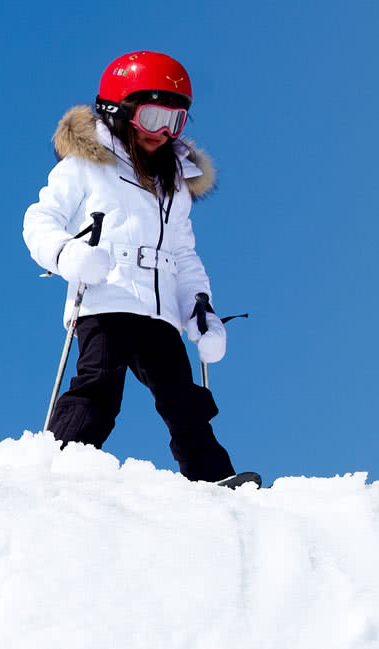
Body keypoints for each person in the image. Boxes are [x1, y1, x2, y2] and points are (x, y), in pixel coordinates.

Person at [22, 51, 241, 484]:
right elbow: (39, 220)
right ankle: (61, 467)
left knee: (184, 401)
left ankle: (214, 480)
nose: (163, 132)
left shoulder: (173, 183)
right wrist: (67, 254)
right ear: (118, 110)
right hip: (105, 299)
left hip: (159, 312)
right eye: (153, 116)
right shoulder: (86, 165)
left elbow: (182, 254)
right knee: (99, 387)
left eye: (175, 121)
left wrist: (200, 309)